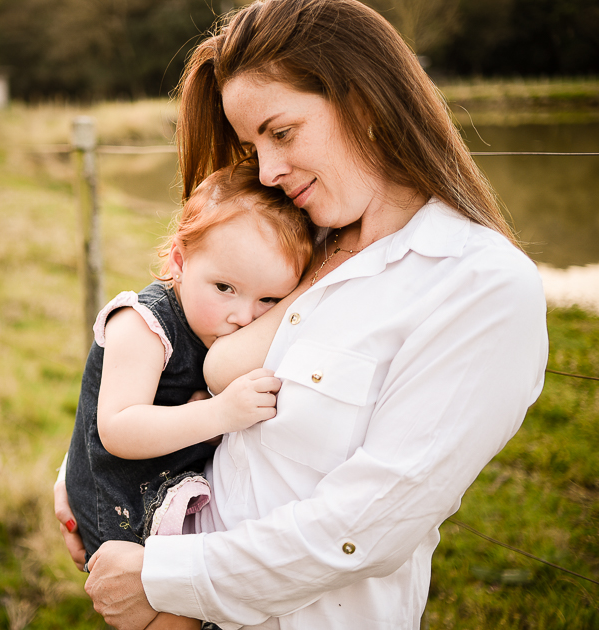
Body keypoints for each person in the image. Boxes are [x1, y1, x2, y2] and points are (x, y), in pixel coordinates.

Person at [54, 0, 549, 628]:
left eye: (282, 133)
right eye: (252, 146)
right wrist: (88, 476)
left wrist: (161, 578)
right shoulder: (297, 238)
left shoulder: (476, 285)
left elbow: (368, 525)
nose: (267, 170)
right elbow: (162, 350)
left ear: (364, 101)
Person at [63, 160, 314, 629]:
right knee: (172, 619)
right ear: (179, 262)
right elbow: (117, 428)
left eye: (268, 300)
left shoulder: (217, 322)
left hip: (164, 496)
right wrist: (220, 414)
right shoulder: (142, 324)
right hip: (120, 504)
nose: (243, 316)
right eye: (225, 288)